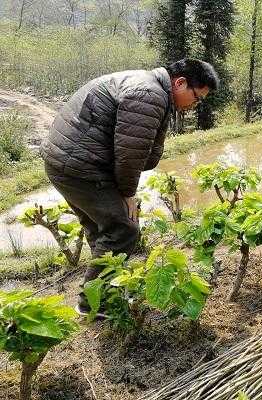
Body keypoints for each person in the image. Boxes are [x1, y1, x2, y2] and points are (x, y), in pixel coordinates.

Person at [41, 58, 219, 315]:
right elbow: (130, 153)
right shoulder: (149, 94)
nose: (195, 105)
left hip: (65, 161)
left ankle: (105, 289)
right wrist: (127, 194)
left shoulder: (148, 86)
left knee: (101, 229)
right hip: (80, 166)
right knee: (124, 228)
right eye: (197, 97)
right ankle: (93, 302)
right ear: (180, 83)